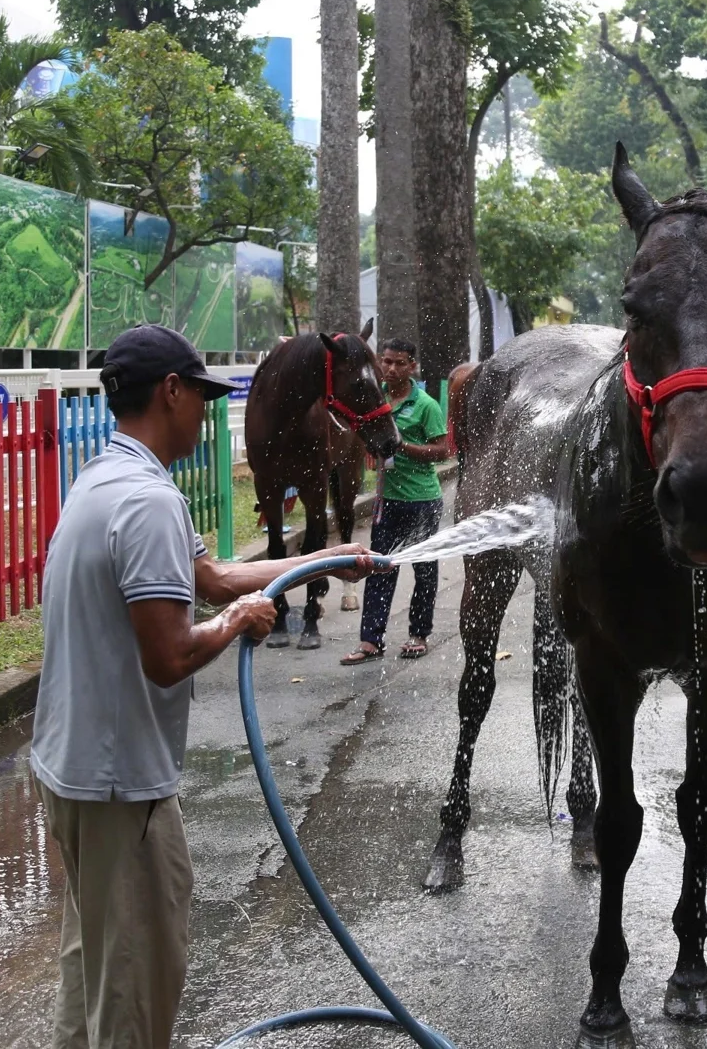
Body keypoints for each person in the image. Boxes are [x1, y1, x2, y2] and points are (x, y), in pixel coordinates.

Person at [31, 323, 373, 1049]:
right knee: (136, 977)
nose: (212, 415)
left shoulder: (105, 479)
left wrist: (324, 558)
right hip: (119, 783)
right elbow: (171, 654)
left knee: (92, 967)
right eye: (204, 399)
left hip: (75, 773)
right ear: (172, 392)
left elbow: (210, 579)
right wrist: (238, 622)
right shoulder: (149, 502)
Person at [344, 338, 452, 664]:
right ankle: (370, 641)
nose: (391, 369)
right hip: (386, 501)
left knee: (425, 570)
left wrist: (401, 445)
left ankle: (418, 635)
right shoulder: (378, 399)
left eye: (399, 363)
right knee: (379, 568)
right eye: (386, 362)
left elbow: (442, 451)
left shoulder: (426, 406)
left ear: (412, 367)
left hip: (422, 501)